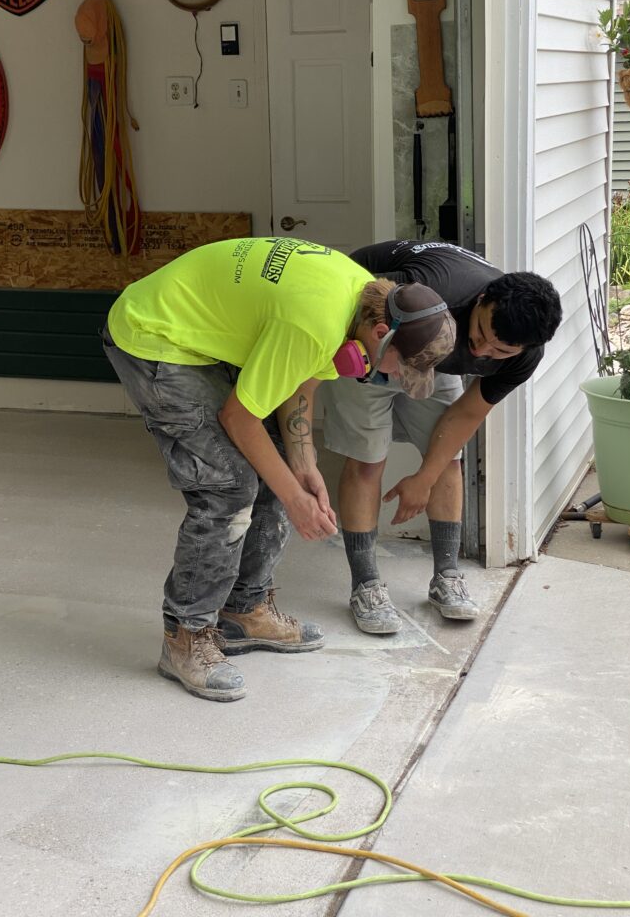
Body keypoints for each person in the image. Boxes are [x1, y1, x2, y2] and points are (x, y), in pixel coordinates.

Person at [102, 236, 456, 702]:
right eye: (397, 366)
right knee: (228, 487)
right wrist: (296, 498)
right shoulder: (314, 323)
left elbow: (300, 385)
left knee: (273, 472)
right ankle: (185, 638)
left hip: (203, 335)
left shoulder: (361, 298)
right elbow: (239, 418)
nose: (392, 376)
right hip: (154, 336)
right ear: (380, 333)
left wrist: (303, 465)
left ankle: (244, 611)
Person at [319, 239, 563, 635]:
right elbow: (352, 296)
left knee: (448, 460)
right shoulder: (435, 289)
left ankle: (446, 577)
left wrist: (423, 478)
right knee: (368, 459)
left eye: (499, 350)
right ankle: (365, 584)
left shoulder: (523, 355)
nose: (482, 350)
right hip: (377, 337)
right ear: (481, 300)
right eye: (480, 331)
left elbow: (466, 414)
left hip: (433, 356)